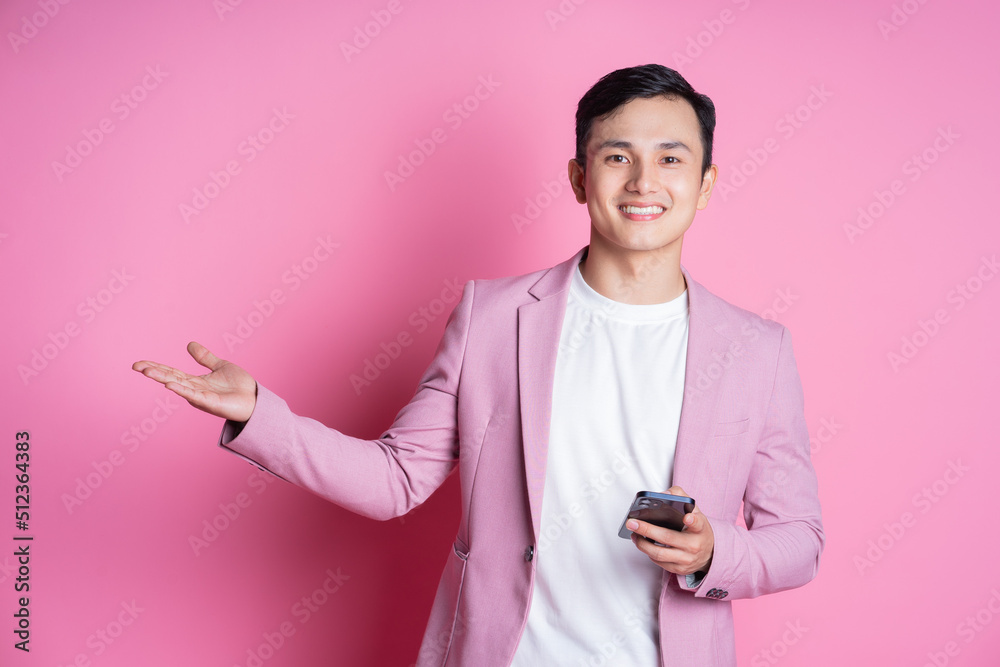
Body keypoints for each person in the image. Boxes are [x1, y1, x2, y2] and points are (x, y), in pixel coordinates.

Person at [133, 64, 824, 666]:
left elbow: (799, 540)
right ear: (580, 178)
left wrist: (713, 553)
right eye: (618, 156)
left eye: (671, 159)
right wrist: (261, 414)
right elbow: (397, 478)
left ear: (704, 184)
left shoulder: (756, 350)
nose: (644, 179)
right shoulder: (492, 317)